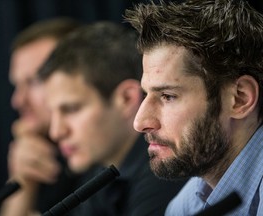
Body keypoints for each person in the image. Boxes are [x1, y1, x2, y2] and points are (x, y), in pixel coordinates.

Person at [125, 0, 263, 215]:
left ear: (240, 99)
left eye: (168, 96)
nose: (140, 122)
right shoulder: (188, 203)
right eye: (146, 94)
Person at [37, 21, 186, 216]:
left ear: (126, 99)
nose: (56, 132)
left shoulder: (165, 173)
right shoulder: (99, 173)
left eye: (71, 109)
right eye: (52, 113)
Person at [0, 18, 84, 216]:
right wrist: (22, 182)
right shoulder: (40, 148)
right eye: (17, 85)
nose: (18, 101)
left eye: (34, 81)